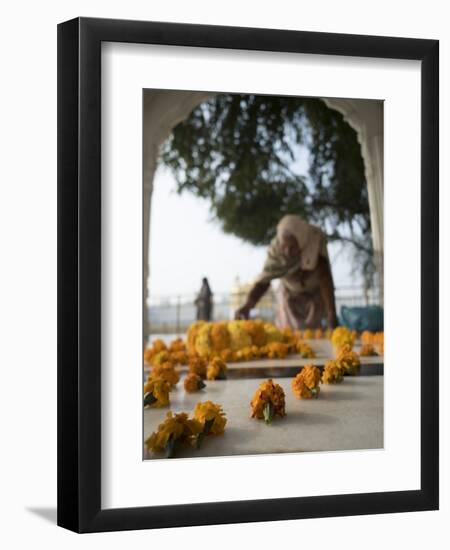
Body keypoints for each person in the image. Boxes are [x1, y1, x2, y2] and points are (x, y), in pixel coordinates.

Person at [235, 215, 338, 330]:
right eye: (284, 246)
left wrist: (331, 313)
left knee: (317, 334)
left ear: (301, 241)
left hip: (315, 297)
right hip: (290, 296)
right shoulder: (276, 252)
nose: (288, 251)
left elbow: (325, 279)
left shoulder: (314, 243)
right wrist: (248, 306)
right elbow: (264, 281)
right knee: (289, 334)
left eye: (292, 247)